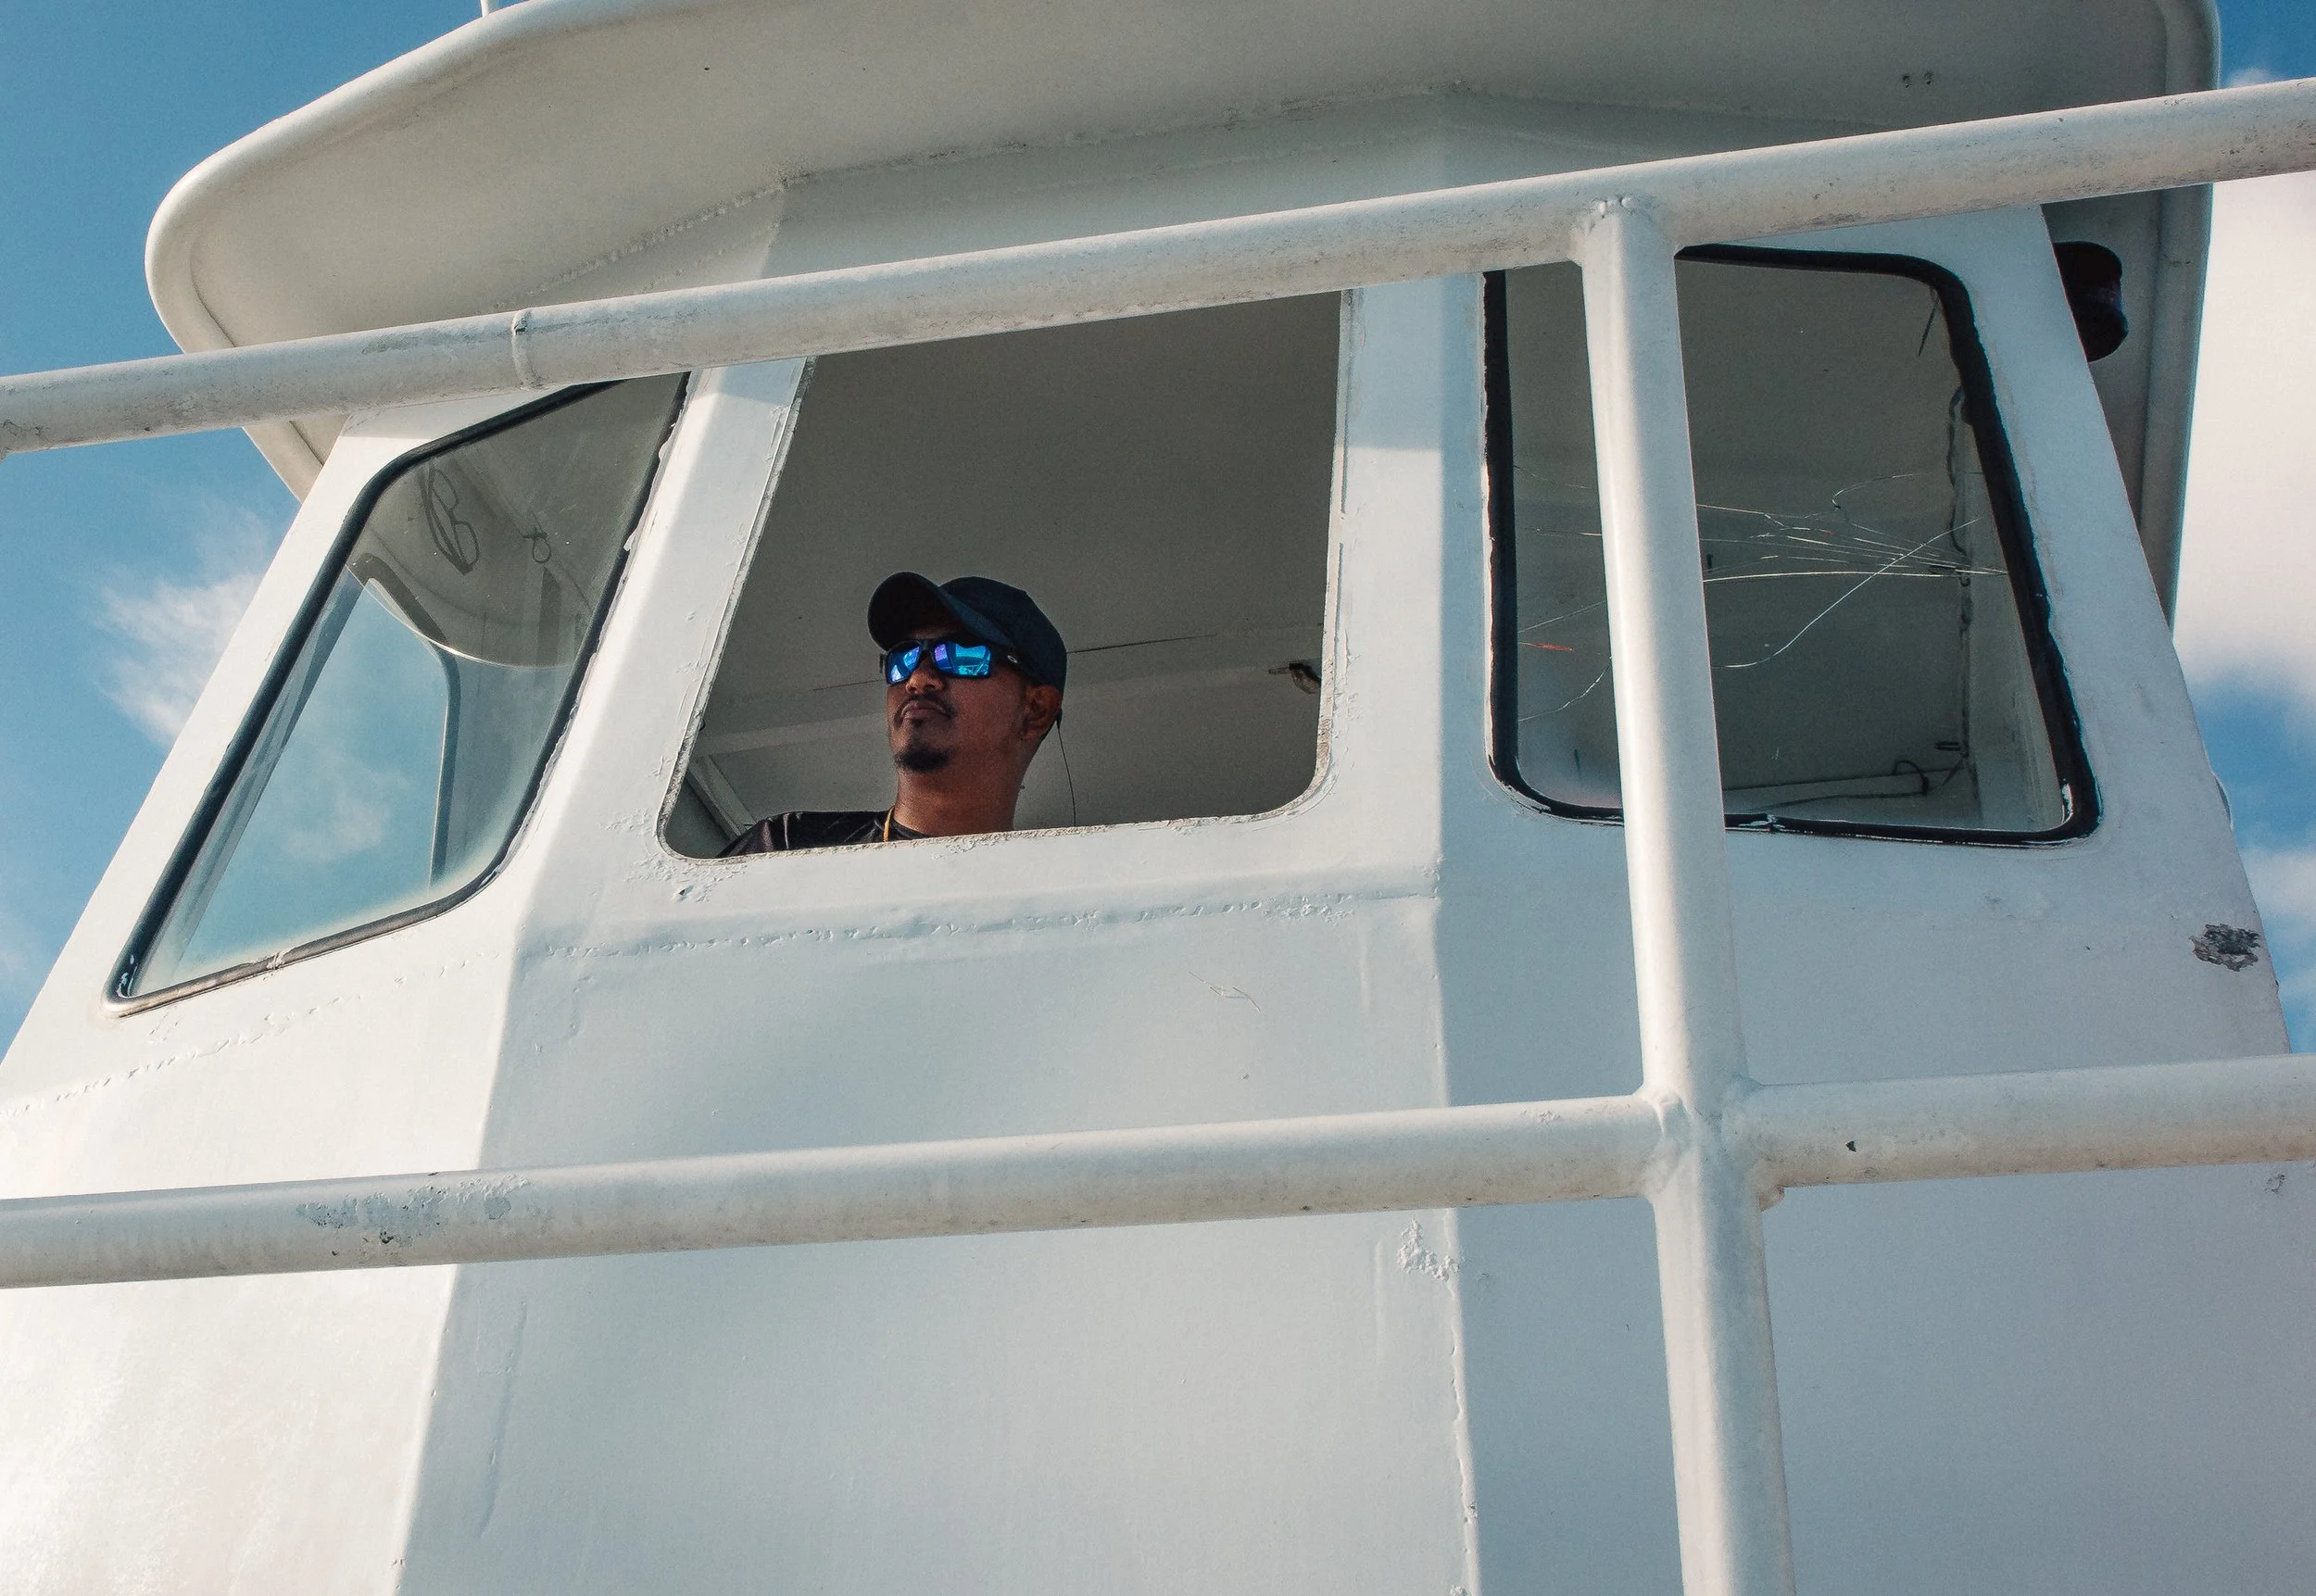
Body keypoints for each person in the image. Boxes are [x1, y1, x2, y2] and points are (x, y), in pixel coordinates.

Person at [721, 572, 1066, 854]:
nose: (918, 679)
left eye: (962, 655)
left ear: (1035, 711)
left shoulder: (1060, 894)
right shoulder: (786, 847)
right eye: (904, 657)